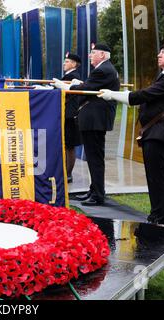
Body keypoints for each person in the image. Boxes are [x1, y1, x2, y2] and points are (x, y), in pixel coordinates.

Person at [98, 41, 164, 225]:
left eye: (163, 53)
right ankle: (156, 216)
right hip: (153, 133)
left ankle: (159, 219)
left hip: (159, 134)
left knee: (158, 178)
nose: (159, 55)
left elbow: (143, 96)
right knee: (153, 178)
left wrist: (113, 94)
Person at [53, 43, 120, 206]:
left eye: (93, 52)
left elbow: (87, 88)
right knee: (92, 158)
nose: (90, 55)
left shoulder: (103, 70)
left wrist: (67, 86)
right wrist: (76, 84)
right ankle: (94, 190)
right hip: (93, 119)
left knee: (95, 158)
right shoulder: (104, 69)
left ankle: (97, 194)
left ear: (103, 55)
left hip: (95, 120)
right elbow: (90, 87)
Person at [61, 53, 82, 183]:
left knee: (69, 145)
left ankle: (68, 174)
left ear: (74, 64)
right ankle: (67, 173)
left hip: (69, 115)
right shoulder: (71, 76)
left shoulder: (71, 76)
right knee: (68, 145)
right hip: (69, 114)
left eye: (67, 61)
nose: (64, 63)